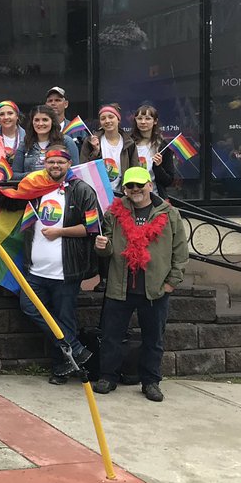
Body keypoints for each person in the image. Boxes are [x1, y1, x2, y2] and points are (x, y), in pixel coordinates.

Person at [0, 149, 97, 385]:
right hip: (34, 271)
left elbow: (93, 227)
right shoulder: (35, 189)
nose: (55, 165)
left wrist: (60, 232)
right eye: (51, 162)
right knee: (30, 307)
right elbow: (8, 201)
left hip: (67, 271)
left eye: (60, 162)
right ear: (45, 164)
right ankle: (74, 347)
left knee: (64, 319)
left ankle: (60, 369)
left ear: (69, 164)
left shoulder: (83, 190)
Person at [93, 166, 189, 401]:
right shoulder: (114, 214)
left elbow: (180, 250)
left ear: (149, 185)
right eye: (130, 186)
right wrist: (101, 247)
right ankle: (108, 376)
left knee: (153, 339)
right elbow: (108, 251)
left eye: (139, 185)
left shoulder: (168, 214)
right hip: (120, 286)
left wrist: (172, 283)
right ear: (124, 189)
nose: (135, 189)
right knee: (111, 336)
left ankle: (151, 382)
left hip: (155, 288)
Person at [14, 105, 79, 178]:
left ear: (52, 122)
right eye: (36, 120)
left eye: (45, 120)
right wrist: (35, 176)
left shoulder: (66, 141)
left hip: (60, 188)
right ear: (32, 122)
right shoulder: (24, 144)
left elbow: (75, 172)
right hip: (31, 187)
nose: (40, 124)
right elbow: (15, 175)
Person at [128, 103, 177, 198]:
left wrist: (158, 167)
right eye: (139, 118)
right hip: (132, 198)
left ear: (155, 121)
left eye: (147, 118)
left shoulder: (163, 146)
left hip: (156, 199)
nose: (143, 122)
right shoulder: (128, 143)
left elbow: (168, 181)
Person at [80, 104, 133, 182]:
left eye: (111, 117)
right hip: (98, 192)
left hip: (123, 192)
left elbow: (134, 169)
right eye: (103, 118)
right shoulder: (90, 142)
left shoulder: (129, 142)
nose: (107, 121)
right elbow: (83, 170)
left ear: (118, 119)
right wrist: (95, 152)